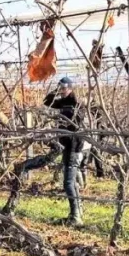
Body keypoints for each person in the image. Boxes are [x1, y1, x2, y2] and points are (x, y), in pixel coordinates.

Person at [43, 75, 86, 226]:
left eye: (64, 88)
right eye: (60, 88)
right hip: (67, 146)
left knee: (68, 183)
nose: (62, 91)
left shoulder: (76, 103)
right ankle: (76, 213)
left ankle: (76, 216)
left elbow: (77, 128)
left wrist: (75, 150)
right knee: (70, 182)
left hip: (74, 146)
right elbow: (47, 101)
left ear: (70, 88)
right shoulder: (62, 101)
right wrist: (55, 91)